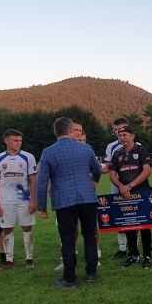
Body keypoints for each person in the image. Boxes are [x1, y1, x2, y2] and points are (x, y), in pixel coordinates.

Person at [37, 117, 102, 288]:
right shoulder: (86, 148)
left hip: (64, 200)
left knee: (67, 239)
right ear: (71, 130)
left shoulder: (48, 152)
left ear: (56, 132)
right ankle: (91, 273)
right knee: (90, 235)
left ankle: (70, 278)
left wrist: (42, 206)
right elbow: (97, 170)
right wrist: (93, 182)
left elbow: (42, 181)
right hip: (87, 198)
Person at [0, 129, 38, 271]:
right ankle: (9, 260)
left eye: (20, 141)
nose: (18, 143)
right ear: (6, 141)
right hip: (5, 200)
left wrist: (33, 200)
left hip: (24, 199)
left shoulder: (28, 157)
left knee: (27, 227)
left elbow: (33, 180)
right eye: (15, 140)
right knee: (7, 229)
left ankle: (29, 258)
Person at [109, 125, 152, 269]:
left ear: (132, 136)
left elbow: (147, 171)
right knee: (128, 225)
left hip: (141, 193)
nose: (122, 138)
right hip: (125, 195)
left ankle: (147, 256)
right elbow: (112, 175)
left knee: (145, 225)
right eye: (120, 135)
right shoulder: (117, 153)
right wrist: (122, 187)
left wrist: (130, 186)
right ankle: (133, 255)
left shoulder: (141, 150)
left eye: (125, 135)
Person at [102, 117, 132, 258]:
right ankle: (122, 248)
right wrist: (93, 169)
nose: (118, 133)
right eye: (115, 130)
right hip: (117, 185)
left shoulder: (138, 145)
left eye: (121, 129)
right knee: (119, 215)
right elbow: (108, 168)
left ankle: (134, 248)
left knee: (134, 215)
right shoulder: (111, 146)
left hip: (133, 186)